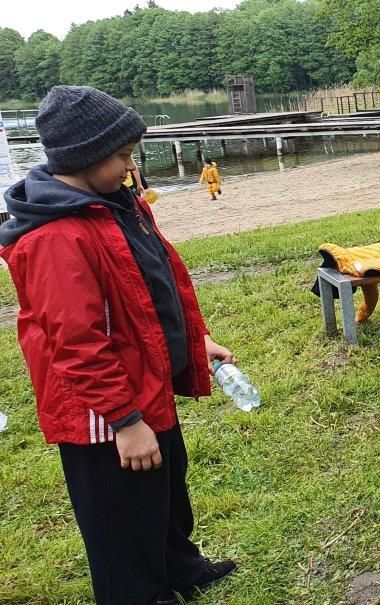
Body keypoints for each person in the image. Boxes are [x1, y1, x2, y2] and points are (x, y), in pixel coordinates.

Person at [0, 85, 237, 604]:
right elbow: (76, 344)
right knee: (119, 511)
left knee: (166, 487)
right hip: (102, 411)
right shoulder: (55, 237)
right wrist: (125, 422)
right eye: (124, 156)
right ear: (84, 157)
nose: (133, 169)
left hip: (145, 381)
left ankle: (177, 564)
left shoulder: (116, 205)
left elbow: (151, 287)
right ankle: (135, 592)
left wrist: (196, 340)